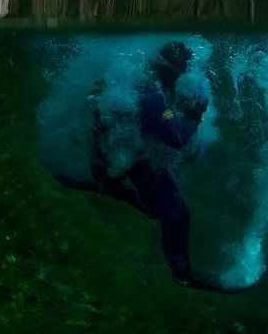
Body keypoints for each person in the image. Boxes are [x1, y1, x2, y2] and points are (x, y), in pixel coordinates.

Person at [53, 41, 243, 293]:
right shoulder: (149, 94)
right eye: (180, 74)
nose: (183, 79)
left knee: (146, 202)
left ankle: (102, 182)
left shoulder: (142, 77)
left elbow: (167, 126)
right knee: (176, 212)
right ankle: (182, 273)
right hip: (125, 158)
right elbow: (174, 136)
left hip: (122, 153)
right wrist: (195, 114)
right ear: (170, 71)